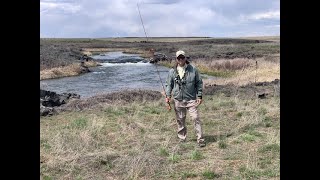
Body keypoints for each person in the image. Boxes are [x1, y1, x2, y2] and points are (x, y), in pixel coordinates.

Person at [165, 50, 206, 147]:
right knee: (180, 120)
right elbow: (168, 85)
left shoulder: (193, 70)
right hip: (178, 100)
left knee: (195, 118)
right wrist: (168, 96)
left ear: (185, 58)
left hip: (191, 99)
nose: (181, 59)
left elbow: (199, 83)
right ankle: (182, 138)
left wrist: (199, 96)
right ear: (176, 59)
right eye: (179, 58)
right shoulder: (172, 71)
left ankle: (200, 139)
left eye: (182, 57)